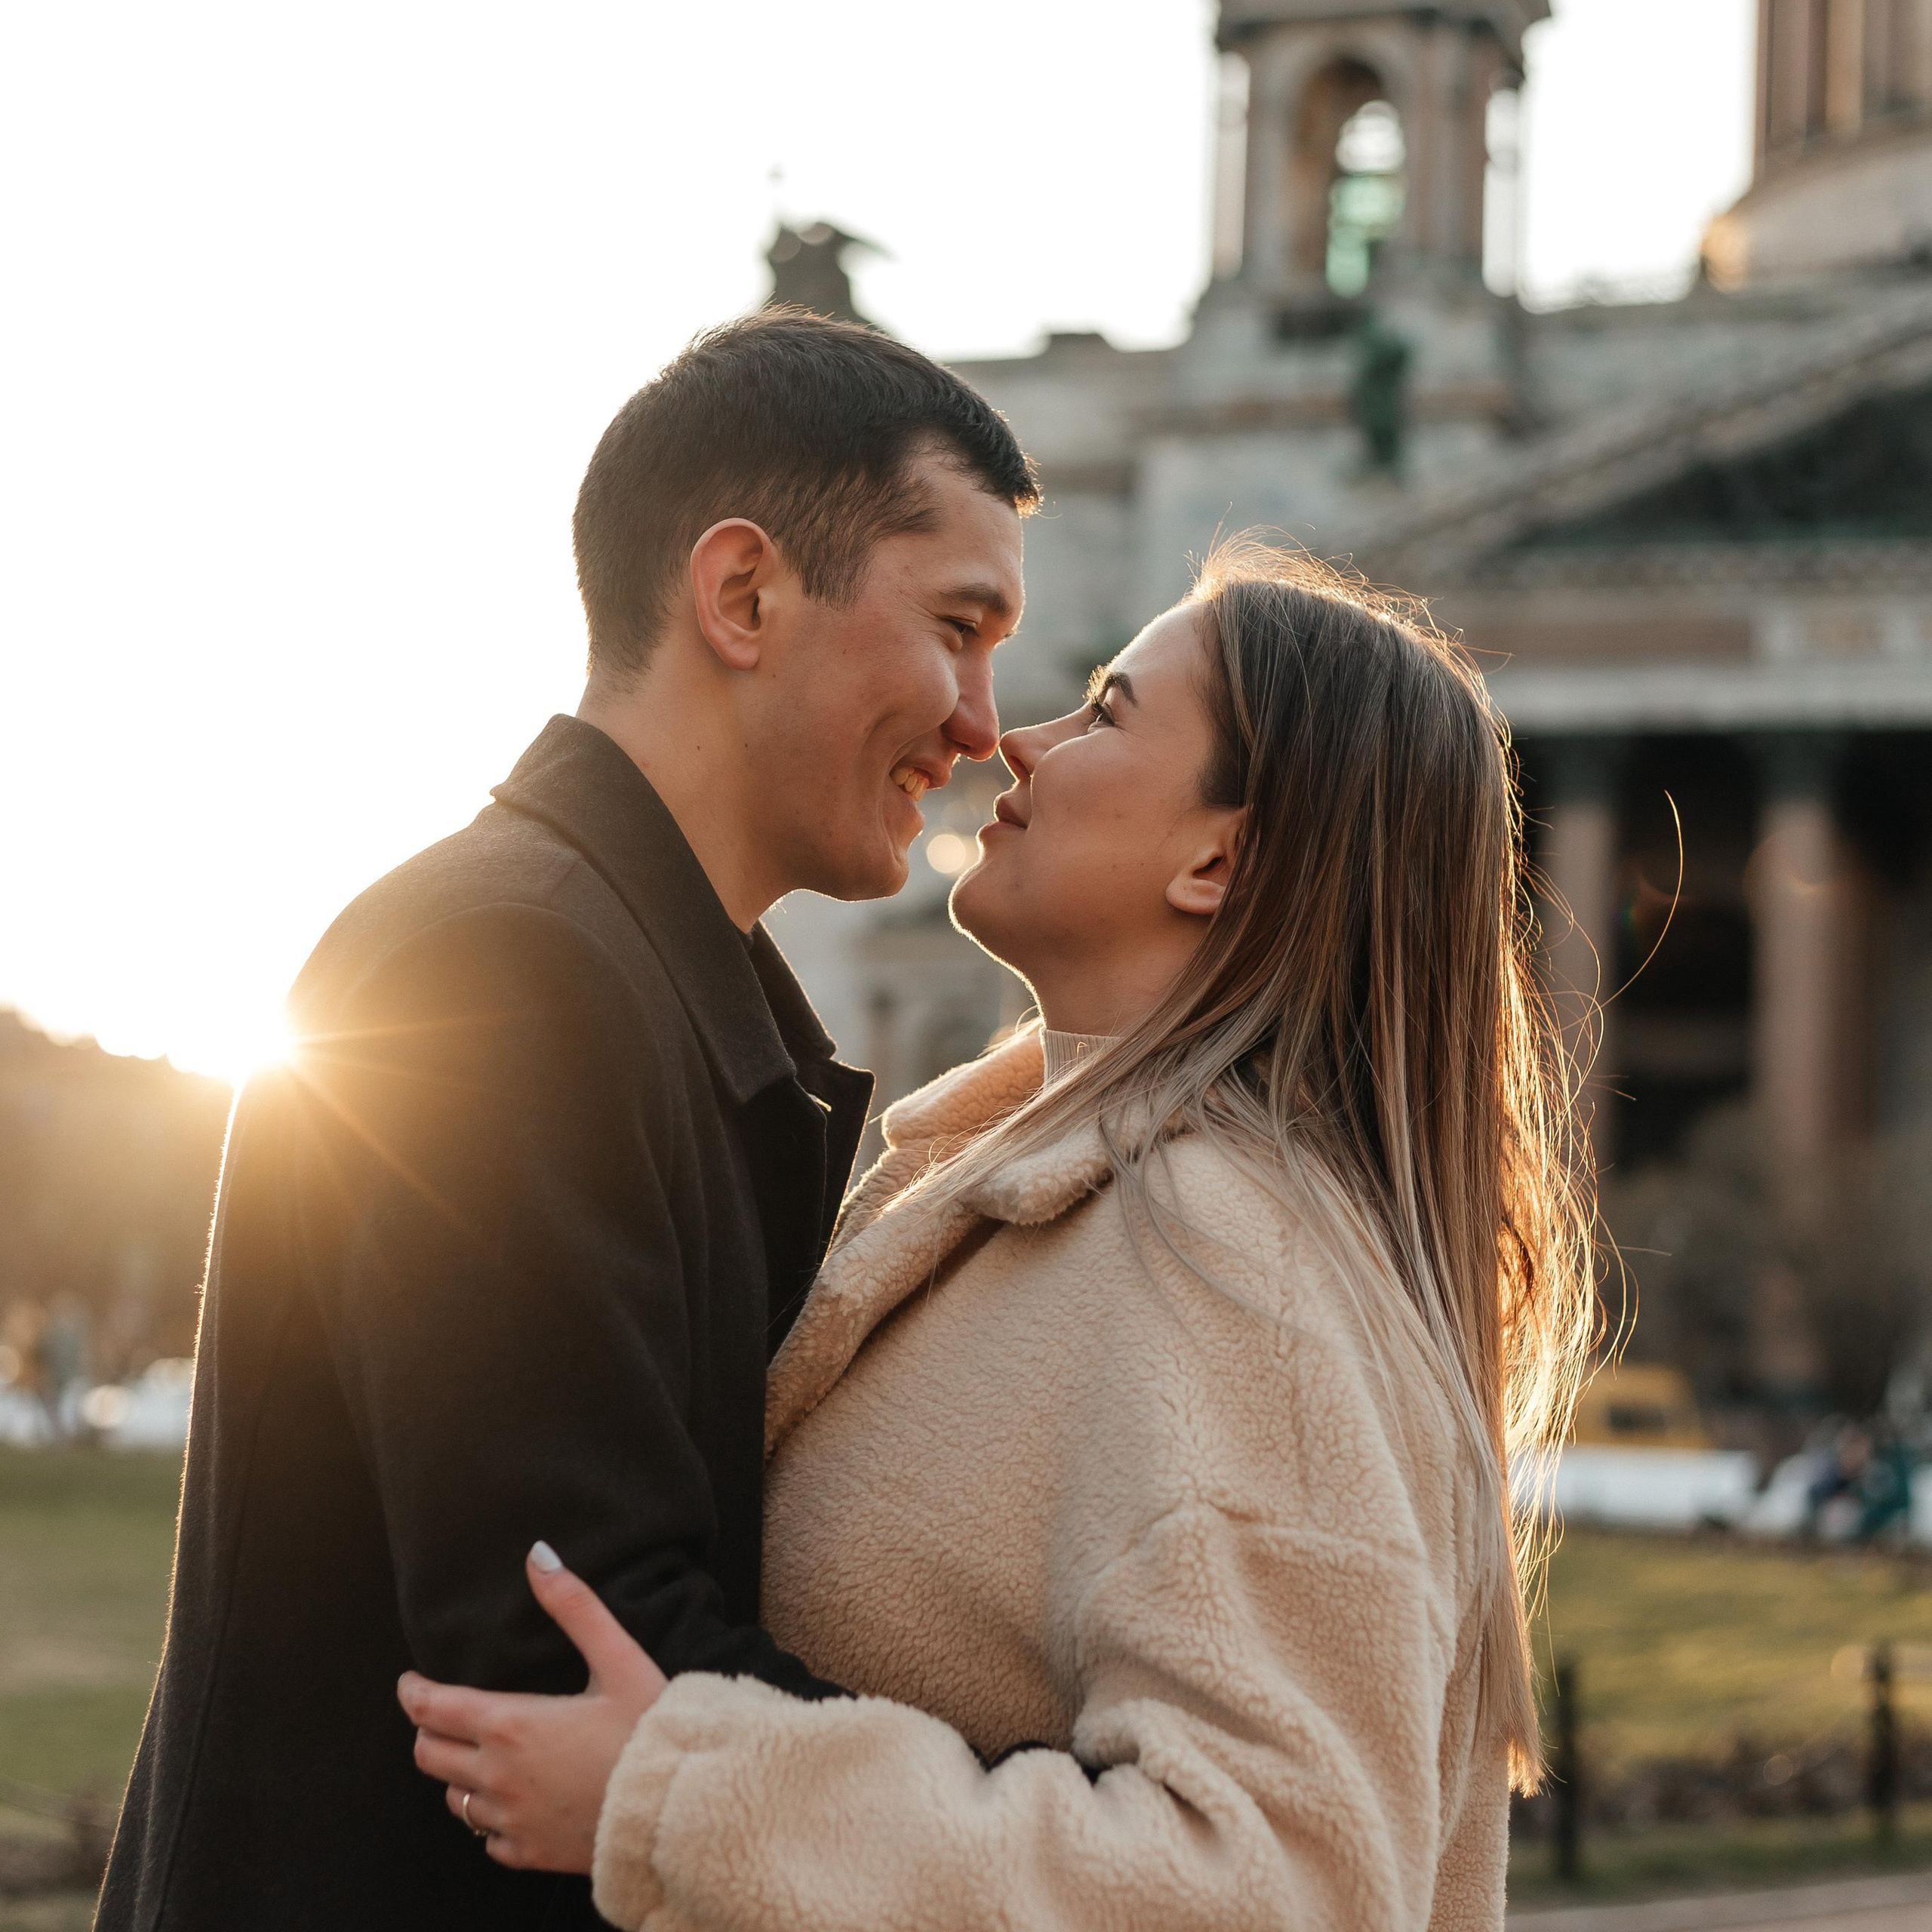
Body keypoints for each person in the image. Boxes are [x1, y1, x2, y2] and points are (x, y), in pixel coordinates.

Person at [398, 543, 1598, 1930]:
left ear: (1218, 859)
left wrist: (685, 1799)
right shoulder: (1085, 1204)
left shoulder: (1230, 1256)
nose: (1016, 740)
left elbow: (1280, 1884)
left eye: (1106, 714)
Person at [95, 310, 1036, 1931]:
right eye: (958, 628)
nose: (982, 722)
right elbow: (575, 1648)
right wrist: (1080, 1838)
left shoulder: (612, 969)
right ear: (741, 596)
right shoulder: (510, 969)